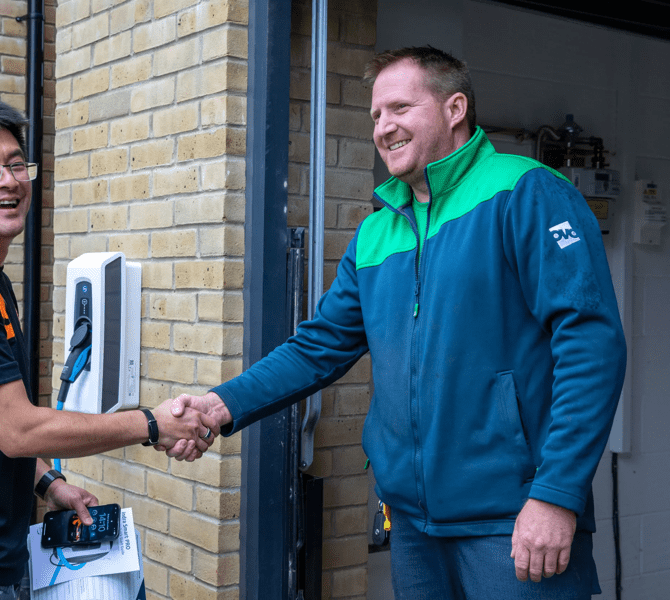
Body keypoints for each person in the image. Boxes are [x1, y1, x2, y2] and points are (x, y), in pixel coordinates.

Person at [163, 46, 626, 599]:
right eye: (376, 115)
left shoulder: (525, 193)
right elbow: (318, 348)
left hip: (514, 521)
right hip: (413, 526)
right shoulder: (378, 233)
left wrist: (556, 493)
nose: (384, 128)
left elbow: (591, 344)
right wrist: (219, 406)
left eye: (400, 108)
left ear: (455, 108)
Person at [0, 94, 218, 600]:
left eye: (15, 164)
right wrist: (154, 424)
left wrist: (49, 485)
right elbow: (17, 428)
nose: (8, 180)